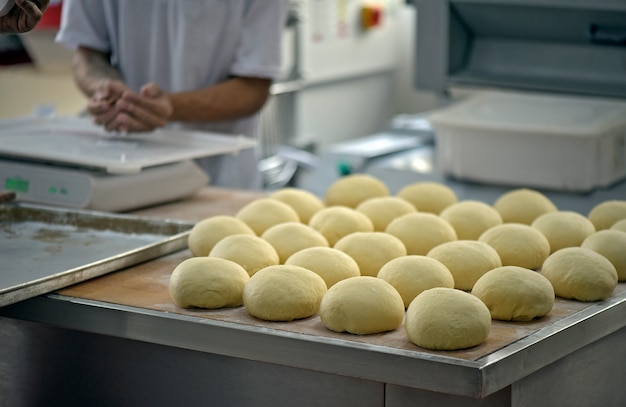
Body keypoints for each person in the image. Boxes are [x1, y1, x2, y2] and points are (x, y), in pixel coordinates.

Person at [56, 0, 288, 189]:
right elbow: (87, 52)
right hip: (122, 170)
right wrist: (102, 86)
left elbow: (253, 88)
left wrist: (169, 107)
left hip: (218, 178)